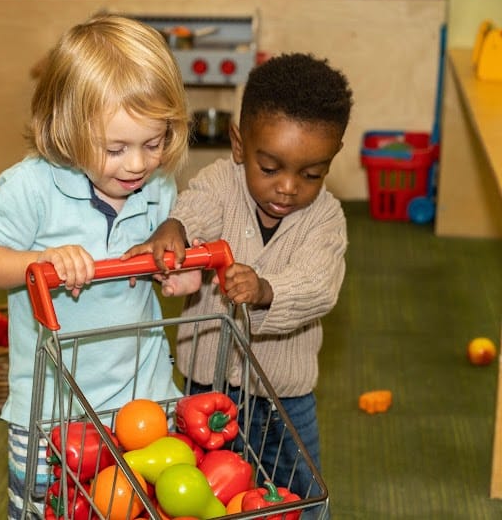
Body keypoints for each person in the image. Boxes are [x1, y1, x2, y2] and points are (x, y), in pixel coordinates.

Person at [0, 14, 190, 520]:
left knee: (145, 507)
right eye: (115, 148)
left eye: (153, 144)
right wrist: (37, 260)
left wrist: (173, 270)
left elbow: (167, 274)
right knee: (46, 511)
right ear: (66, 128)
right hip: (52, 409)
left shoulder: (156, 187)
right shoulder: (30, 187)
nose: (137, 165)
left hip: (143, 396)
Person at [128, 52, 353, 516]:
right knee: (200, 492)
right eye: (269, 168)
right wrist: (176, 228)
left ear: (331, 161)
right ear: (238, 144)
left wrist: (267, 290)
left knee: (301, 493)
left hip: (283, 400)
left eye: (311, 174)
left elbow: (319, 285)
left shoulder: (327, 217)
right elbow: (197, 207)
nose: (288, 187)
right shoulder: (219, 181)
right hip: (203, 388)